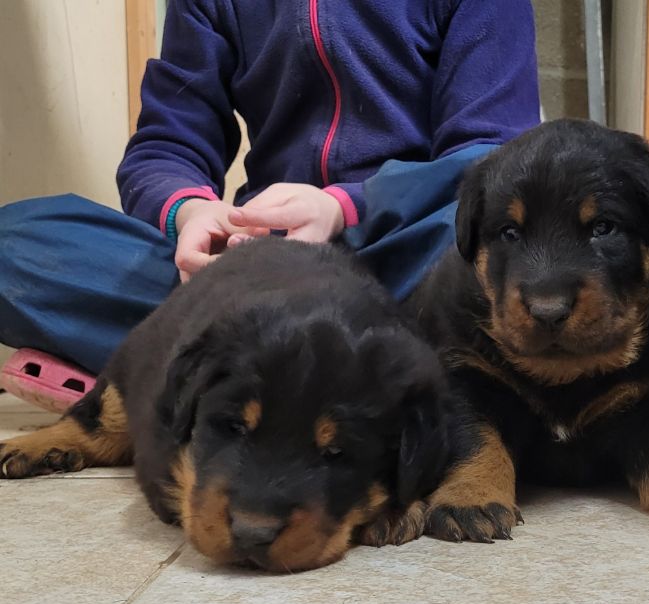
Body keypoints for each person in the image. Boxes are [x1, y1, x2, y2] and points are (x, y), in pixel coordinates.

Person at [0, 0, 540, 410]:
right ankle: (367, 387)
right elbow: (166, 147)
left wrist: (344, 207)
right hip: (259, 268)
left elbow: (490, 157)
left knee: (485, 253)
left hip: (404, 249)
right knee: (15, 243)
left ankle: (199, 378)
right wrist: (190, 211)